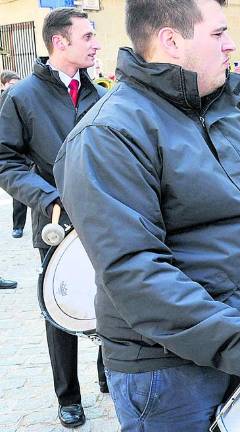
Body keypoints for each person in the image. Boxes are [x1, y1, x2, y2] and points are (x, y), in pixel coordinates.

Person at [53, 1, 240, 430]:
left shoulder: (223, 111)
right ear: (171, 40)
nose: (232, 45)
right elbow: (135, 271)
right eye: (219, 33)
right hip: (168, 371)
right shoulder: (107, 135)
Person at [0, 8, 106, 428]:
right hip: (56, 223)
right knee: (59, 308)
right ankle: (69, 396)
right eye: (87, 36)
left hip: (102, 221)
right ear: (59, 43)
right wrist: (49, 199)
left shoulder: (100, 94)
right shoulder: (22, 96)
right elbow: (5, 161)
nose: (96, 43)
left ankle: (107, 375)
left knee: (109, 300)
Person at [1, 70, 28, 239]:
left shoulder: (21, 99)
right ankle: (18, 226)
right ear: (3, 85)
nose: (14, 87)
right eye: (11, 84)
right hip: (10, 149)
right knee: (19, 192)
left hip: (26, 149)